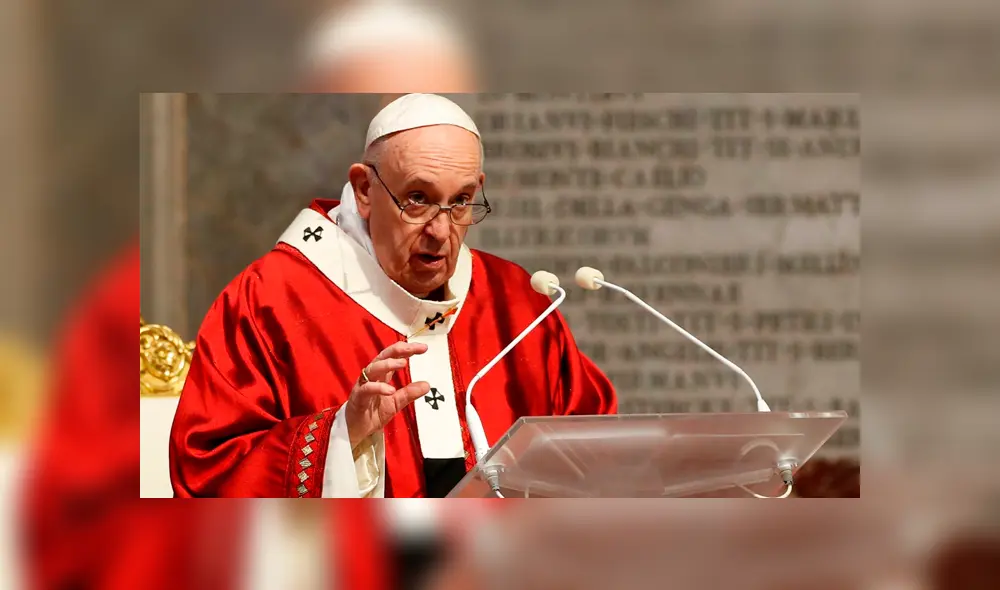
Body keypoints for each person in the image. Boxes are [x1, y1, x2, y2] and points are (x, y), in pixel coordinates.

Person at [169, 93, 616, 498]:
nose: (441, 232)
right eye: (417, 199)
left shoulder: (516, 300)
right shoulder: (271, 299)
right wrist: (344, 434)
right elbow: (207, 471)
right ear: (365, 189)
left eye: (460, 201)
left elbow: (593, 450)